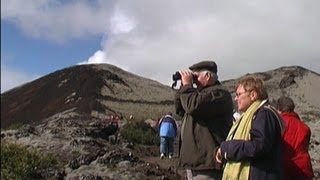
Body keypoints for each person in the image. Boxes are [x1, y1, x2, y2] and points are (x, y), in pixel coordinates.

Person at [215, 76, 284, 180]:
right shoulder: (247, 116)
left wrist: (227, 148)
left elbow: (259, 145)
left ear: (253, 95)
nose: (236, 98)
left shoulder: (264, 114)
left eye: (239, 94)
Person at [175, 60, 233, 179]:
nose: (194, 81)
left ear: (207, 76)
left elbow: (193, 105)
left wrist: (187, 86)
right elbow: (180, 109)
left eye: (196, 76)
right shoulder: (197, 95)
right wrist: (183, 87)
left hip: (207, 164)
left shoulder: (219, 94)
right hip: (195, 163)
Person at [276, 96, 314, 180]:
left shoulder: (278, 123)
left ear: (279, 108)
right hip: (304, 168)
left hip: (286, 167)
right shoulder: (305, 127)